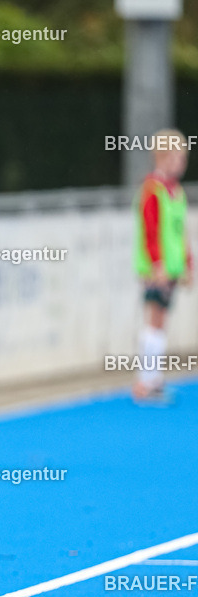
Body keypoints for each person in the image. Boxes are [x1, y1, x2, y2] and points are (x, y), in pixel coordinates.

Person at [132, 129, 191, 403]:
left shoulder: (176, 192)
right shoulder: (152, 190)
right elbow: (151, 230)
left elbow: (180, 232)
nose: (183, 163)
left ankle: (153, 378)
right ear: (164, 157)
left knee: (161, 321)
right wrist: (157, 264)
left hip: (172, 268)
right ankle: (146, 381)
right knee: (154, 320)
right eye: (178, 157)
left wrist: (187, 263)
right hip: (158, 268)